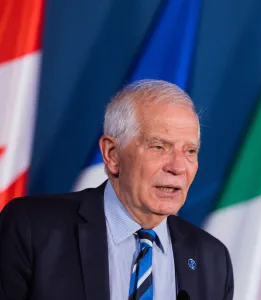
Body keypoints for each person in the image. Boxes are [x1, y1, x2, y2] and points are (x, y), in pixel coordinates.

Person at [0, 79, 234, 300]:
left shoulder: (212, 259)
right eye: (159, 147)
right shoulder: (33, 228)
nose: (178, 167)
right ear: (112, 155)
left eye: (190, 151)